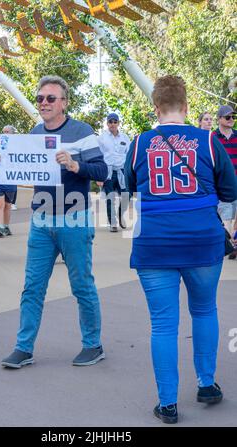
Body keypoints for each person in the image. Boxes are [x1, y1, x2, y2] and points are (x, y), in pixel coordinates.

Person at [125, 75, 237, 424]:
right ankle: (206, 383)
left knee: (162, 325)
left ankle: (168, 402)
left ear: (155, 108)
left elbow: (128, 190)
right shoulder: (207, 140)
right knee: (204, 310)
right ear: (186, 107)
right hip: (202, 241)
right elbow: (230, 192)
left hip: (154, 243)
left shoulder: (139, 143)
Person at [0, 75, 108, 369]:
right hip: (41, 220)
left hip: (74, 218)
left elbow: (102, 171)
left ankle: (92, 344)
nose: (44, 103)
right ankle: (23, 348)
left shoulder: (82, 131)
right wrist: (5, 164)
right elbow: (26, 173)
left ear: (64, 102)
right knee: (32, 287)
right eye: (39, 98)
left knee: (81, 285)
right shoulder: (34, 134)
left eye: (50, 98)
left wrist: (75, 165)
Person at [97, 113, 130, 232]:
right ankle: (113, 223)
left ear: (118, 123)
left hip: (122, 171)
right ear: (107, 123)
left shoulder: (125, 138)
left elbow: (129, 155)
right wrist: (98, 176)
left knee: (126, 196)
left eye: (115, 121)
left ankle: (120, 215)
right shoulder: (101, 138)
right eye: (110, 122)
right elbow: (97, 157)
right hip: (108, 172)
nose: (112, 124)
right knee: (110, 198)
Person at [213, 105, 237, 259]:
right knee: (226, 217)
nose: (231, 120)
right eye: (228, 117)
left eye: (233, 117)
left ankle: (234, 244)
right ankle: (227, 246)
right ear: (219, 119)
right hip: (222, 185)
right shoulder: (212, 138)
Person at [0, 127, 18, 237]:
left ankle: (6, 226)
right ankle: (0, 227)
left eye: (7, 132)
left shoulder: (17, 151)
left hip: (10, 181)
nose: (5, 134)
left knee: (7, 205)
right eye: (3, 132)